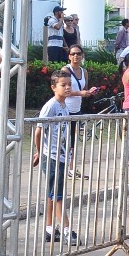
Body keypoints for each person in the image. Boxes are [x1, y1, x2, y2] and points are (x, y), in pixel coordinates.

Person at [30, 70, 77, 244]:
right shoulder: (51, 106)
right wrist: (39, 151)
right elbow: (38, 131)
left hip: (62, 155)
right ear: (53, 87)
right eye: (63, 85)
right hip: (51, 156)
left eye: (69, 84)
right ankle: (66, 230)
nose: (67, 88)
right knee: (57, 195)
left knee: (53, 193)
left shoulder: (65, 106)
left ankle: (50, 229)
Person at [61, 45, 101, 114]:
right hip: (65, 109)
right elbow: (62, 91)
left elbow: (84, 90)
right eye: (73, 54)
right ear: (69, 56)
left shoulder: (84, 72)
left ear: (82, 56)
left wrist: (90, 91)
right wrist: (80, 93)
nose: (76, 55)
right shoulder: (65, 70)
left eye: (78, 53)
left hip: (77, 109)